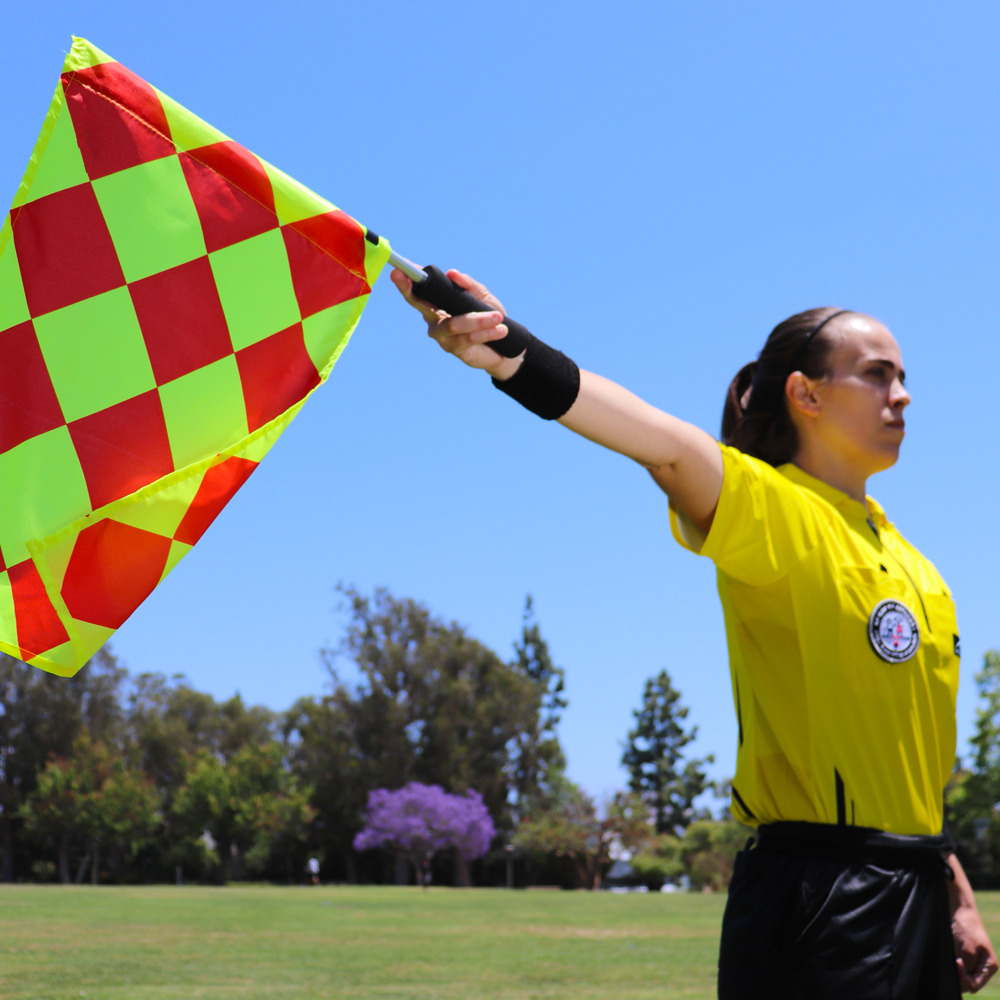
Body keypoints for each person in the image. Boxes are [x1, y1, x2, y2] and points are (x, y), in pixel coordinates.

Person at [392, 267, 999, 998]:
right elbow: (664, 444)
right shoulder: (774, 511)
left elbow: (908, 763)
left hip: (919, 886)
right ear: (805, 394)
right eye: (877, 376)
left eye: (902, 376)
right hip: (819, 895)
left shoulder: (915, 565)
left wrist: (957, 893)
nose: (902, 395)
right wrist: (512, 354)